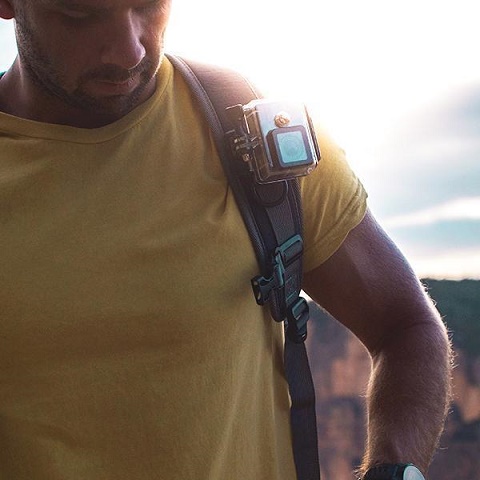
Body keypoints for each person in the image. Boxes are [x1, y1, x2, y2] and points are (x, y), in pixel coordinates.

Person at [0, 1, 451, 479]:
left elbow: (405, 326)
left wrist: (394, 470)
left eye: (150, 5)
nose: (130, 51)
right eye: (80, 15)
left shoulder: (255, 130)